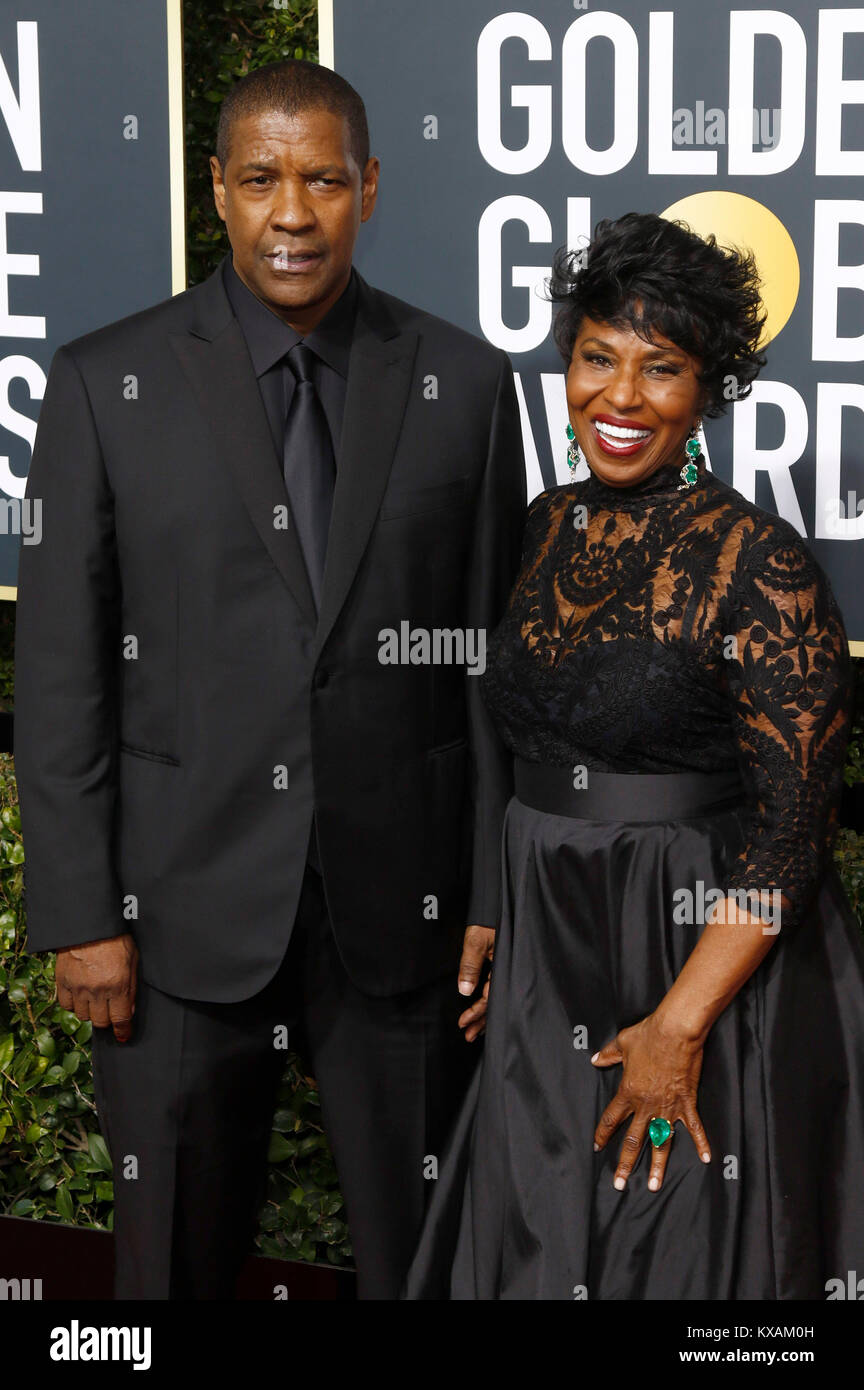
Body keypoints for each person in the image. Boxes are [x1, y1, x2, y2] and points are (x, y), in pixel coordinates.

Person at [14, 59, 526, 1299]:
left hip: (399, 918)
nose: (291, 212)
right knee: (170, 1260)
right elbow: (65, 670)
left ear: (370, 188)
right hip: (175, 912)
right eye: (259, 179)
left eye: (322, 180)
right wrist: (81, 912)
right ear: (217, 191)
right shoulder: (101, 384)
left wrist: (490, 886)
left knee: (423, 1262)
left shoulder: (461, 383)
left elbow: (493, 665)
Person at [404, 211, 864, 1300]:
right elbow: (515, 749)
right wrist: (502, 909)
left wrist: (678, 1023)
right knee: (539, 1237)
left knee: (678, 1250)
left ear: (707, 389)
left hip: (695, 955)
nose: (619, 397)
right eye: (596, 357)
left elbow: (796, 827)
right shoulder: (541, 524)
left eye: (660, 369)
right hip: (546, 948)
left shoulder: (762, 563)